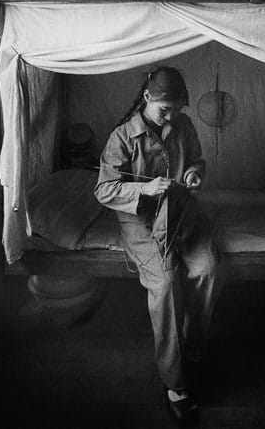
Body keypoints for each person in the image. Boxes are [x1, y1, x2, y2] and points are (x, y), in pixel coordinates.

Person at [94, 66, 223, 426]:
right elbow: (104, 190)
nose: (171, 116)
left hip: (181, 210)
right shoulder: (122, 137)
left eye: (176, 109)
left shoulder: (184, 126)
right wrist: (143, 189)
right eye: (165, 109)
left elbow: (197, 161)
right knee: (164, 285)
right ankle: (175, 384)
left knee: (208, 269)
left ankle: (192, 346)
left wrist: (195, 174)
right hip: (142, 222)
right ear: (148, 98)